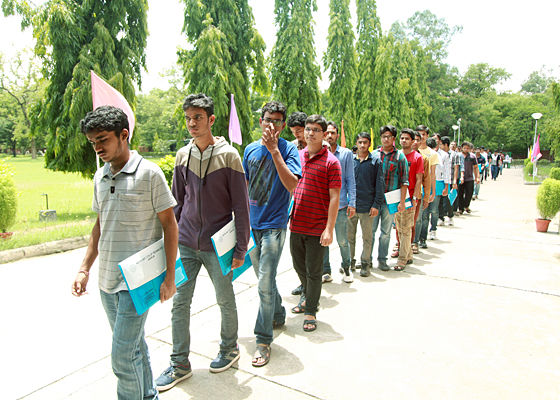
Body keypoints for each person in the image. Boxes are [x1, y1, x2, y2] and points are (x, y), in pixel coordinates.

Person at [72, 105, 178, 400]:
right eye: (93, 142)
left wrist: (170, 277)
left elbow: (170, 226)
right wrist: (84, 268)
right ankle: (148, 395)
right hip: (107, 282)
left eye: (103, 140)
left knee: (121, 356)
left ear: (123, 135)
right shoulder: (100, 177)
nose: (98, 148)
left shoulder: (149, 173)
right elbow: (99, 226)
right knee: (134, 347)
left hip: (138, 283)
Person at [156, 94, 250, 391]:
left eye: (197, 117)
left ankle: (229, 349)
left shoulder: (229, 156)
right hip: (185, 242)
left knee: (225, 299)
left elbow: (241, 206)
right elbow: (177, 202)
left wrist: (240, 248)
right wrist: (169, 241)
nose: (192, 123)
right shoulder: (183, 155)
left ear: (211, 119)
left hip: (217, 245)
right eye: (188, 118)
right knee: (180, 303)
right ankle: (179, 363)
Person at [243, 101, 301, 367]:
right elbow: (244, 187)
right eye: (269, 120)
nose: (273, 125)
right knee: (265, 280)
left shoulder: (289, 149)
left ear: (283, 125)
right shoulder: (249, 150)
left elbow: (292, 185)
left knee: (265, 282)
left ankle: (263, 339)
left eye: (278, 121)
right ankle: (277, 313)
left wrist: (275, 151)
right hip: (252, 226)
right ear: (260, 121)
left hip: (275, 226)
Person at [290, 114, 341, 332]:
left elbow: (334, 197)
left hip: (317, 227)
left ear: (324, 134)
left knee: (314, 271)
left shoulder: (331, 162)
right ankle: (308, 295)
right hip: (296, 224)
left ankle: (311, 310)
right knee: (298, 266)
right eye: (308, 129)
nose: (310, 133)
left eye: (316, 130)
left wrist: (329, 228)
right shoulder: (297, 156)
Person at [322, 121, 356, 283]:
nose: (330, 136)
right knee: (324, 241)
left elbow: (350, 179)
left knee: (343, 240)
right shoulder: (319, 153)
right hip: (322, 206)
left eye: (332, 133)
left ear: (337, 134)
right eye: (327, 133)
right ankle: (326, 271)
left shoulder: (346, 154)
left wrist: (352, 202)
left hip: (341, 206)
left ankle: (347, 268)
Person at [348, 132, 384, 277]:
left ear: (369, 144)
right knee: (349, 237)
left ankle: (365, 263)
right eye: (360, 142)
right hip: (351, 207)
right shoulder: (350, 161)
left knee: (367, 237)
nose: (362, 145)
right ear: (356, 143)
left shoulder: (375, 162)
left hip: (367, 207)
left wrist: (376, 205)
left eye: (365, 142)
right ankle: (349, 262)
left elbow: (380, 185)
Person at [373, 125, 408, 271]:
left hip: (390, 201)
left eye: (389, 136)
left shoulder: (400, 157)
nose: (386, 139)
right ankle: (367, 260)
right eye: (383, 136)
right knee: (370, 232)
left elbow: (404, 181)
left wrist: (402, 202)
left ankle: (382, 260)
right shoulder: (374, 155)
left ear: (394, 139)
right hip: (374, 200)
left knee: (386, 233)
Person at [392, 128, 422, 270]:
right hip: (396, 196)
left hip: (409, 197)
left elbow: (418, 179)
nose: (404, 141)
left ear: (412, 141)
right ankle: (408, 254)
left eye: (407, 138)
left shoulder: (417, 157)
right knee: (399, 227)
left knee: (406, 228)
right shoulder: (396, 155)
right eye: (402, 138)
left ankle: (402, 259)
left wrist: (415, 198)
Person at [414, 125, 438, 249]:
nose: (421, 137)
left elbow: (431, 175)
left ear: (427, 136)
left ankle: (420, 239)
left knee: (422, 216)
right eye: (418, 134)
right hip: (411, 190)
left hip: (423, 189)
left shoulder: (432, 154)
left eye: (423, 134)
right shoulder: (411, 150)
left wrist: (432, 193)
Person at [457, 142, 479, 214]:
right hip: (460, 178)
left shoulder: (472, 157)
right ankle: (461, 208)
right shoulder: (458, 156)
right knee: (460, 194)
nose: (466, 149)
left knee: (469, 193)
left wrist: (477, 177)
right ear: (461, 148)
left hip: (469, 178)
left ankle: (466, 206)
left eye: (467, 148)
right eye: (464, 148)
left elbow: (476, 167)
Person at [437, 137, 454, 226]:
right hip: (438, 180)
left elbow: (452, 169)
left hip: (447, 180)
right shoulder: (434, 153)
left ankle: (450, 215)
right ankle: (441, 217)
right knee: (439, 201)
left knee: (446, 200)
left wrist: (453, 181)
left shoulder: (451, 154)